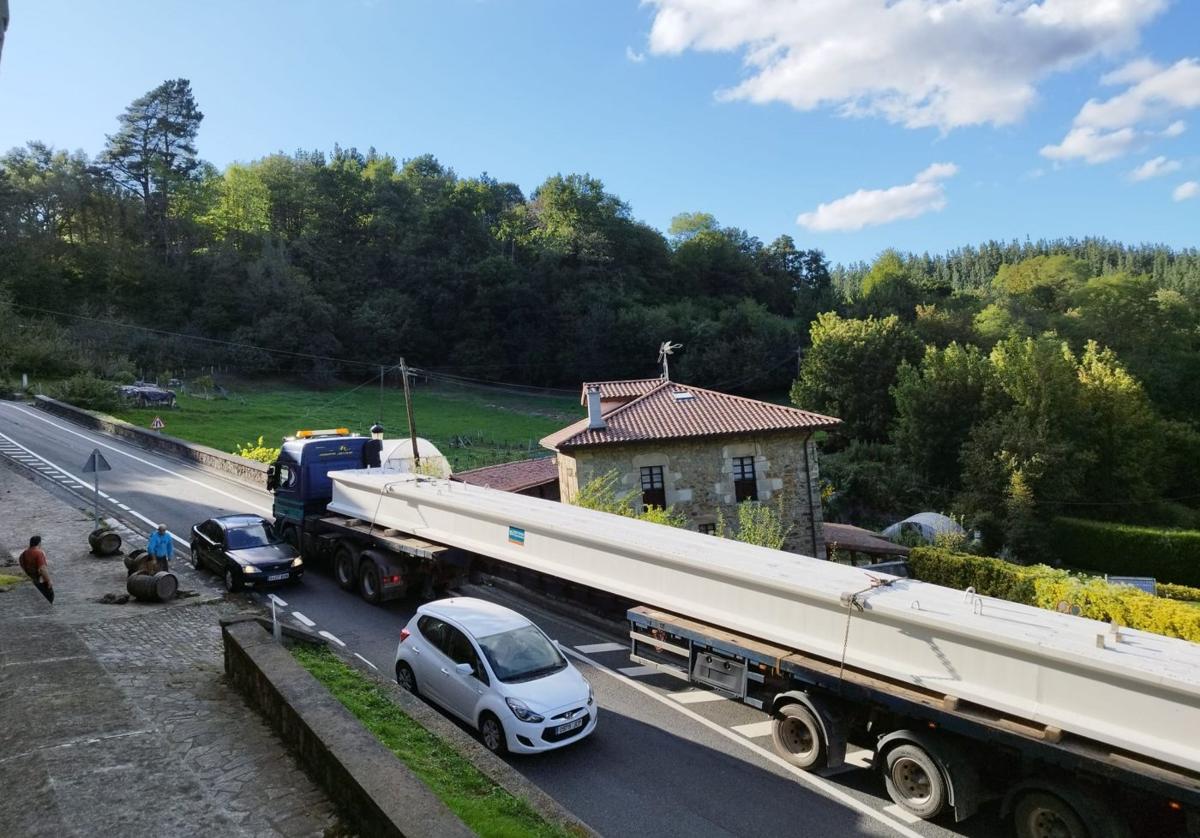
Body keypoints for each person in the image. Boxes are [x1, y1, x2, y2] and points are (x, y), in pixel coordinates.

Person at [19, 535, 53, 603]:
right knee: (48, 599)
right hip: (36, 581)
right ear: (39, 543)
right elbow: (42, 569)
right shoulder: (39, 553)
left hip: (27, 580)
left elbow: (22, 567)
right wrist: (49, 580)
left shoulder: (23, 554)